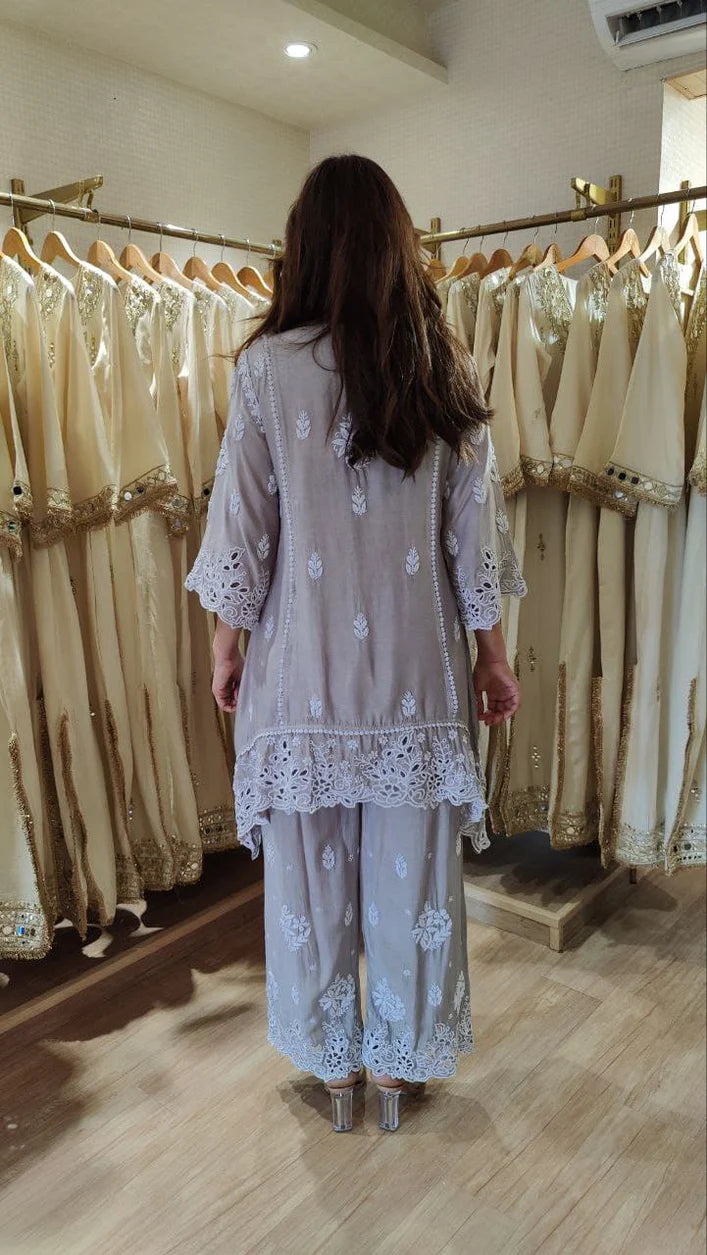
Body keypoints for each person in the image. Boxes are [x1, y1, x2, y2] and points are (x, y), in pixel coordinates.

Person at [186, 154, 525, 1133]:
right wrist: (491, 653)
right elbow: (472, 534)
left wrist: (224, 644)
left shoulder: (265, 370)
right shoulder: (439, 365)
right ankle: (396, 1075)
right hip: (416, 678)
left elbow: (242, 532)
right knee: (412, 885)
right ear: (394, 245)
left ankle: (335, 1072)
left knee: (309, 879)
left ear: (304, 247)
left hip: (300, 676)